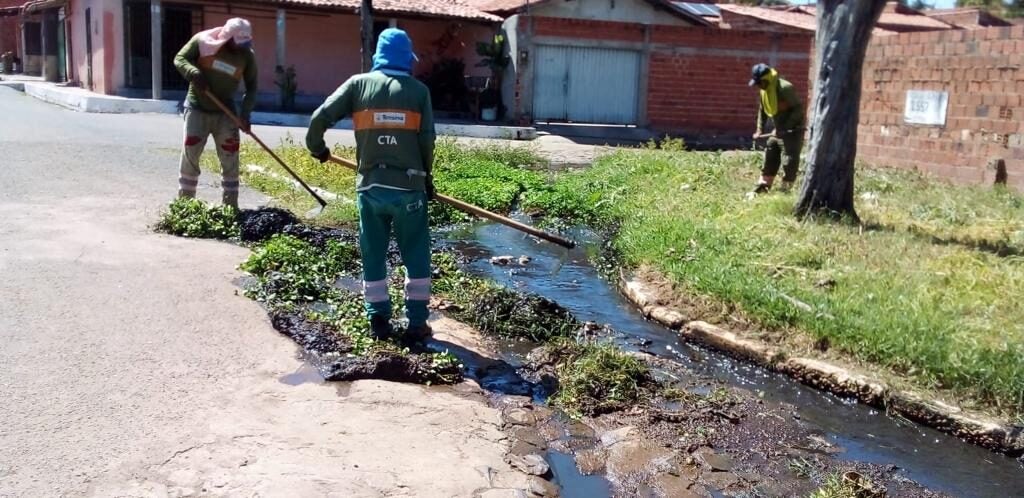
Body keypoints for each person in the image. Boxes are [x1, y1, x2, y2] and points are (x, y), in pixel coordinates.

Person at [305, 28, 436, 342]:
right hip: (409, 190)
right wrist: (426, 179)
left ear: (378, 55)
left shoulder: (357, 85)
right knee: (416, 253)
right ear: (407, 58)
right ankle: (417, 323)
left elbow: (319, 117)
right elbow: (427, 140)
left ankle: (378, 319)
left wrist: (317, 148)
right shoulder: (419, 92)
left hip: (370, 187)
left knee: (373, 253)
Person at [173, 18, 258, 208]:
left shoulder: (246, 55)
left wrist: (245, 115)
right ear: (227, 37)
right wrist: (193, 73)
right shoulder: (203, 42)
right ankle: (184, 206)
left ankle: (230, 207)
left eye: (246, 42)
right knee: (191, 154)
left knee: (230, 157)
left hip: (226, 114)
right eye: (238, 41)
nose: (242, 46)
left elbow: (252, 87)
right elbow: (180, 59)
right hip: (197, 108)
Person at [749, 63, 804, 194]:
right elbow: (762, 111)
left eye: (759, 83)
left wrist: (786, 127)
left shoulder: (785, 88)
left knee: (789, 161)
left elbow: (798, 110)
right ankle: (763, 188)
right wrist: (759, 130)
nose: (758, 86)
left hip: (792, 131)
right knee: (770, 153)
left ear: (767, 79)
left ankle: (785, 191)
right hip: (777, 129)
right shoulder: (765, 91)